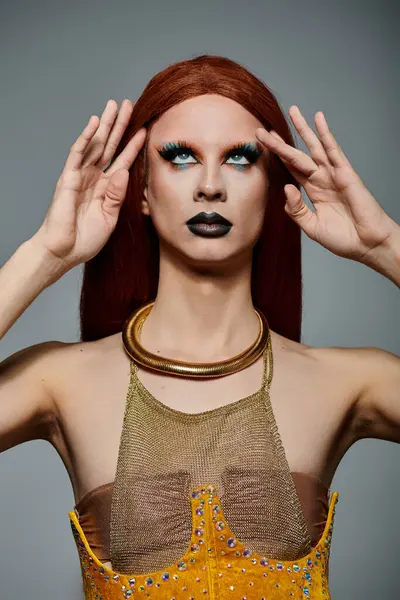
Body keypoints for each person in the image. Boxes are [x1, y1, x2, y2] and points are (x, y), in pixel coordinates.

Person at [0, 54, 399, 600]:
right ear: (140, 189)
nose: (210, 185)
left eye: (240, 159)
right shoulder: (59, 382)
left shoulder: (349, 383)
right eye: (181, 156)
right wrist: (43, 256)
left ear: (274, 188)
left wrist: (387, 248)